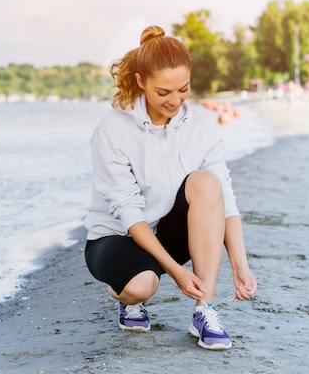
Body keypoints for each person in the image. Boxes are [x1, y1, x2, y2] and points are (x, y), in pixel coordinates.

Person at [83, 25, 257, 350]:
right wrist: (176, 272)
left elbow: (225, 199)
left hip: (166, 231)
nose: (175, 100)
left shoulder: (201, 129)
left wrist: (240, 264)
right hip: (115, 235)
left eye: (183, 89)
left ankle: (205, 310)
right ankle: (124, 293)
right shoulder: (112, 131)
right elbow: (128, 212)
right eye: (163, 92)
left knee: (208, 183)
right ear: (140, 82)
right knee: (142, 285)